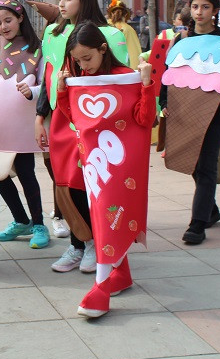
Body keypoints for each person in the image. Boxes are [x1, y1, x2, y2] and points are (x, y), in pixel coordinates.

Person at [56, 22, 156, 317]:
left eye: (87, 58)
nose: (83, 65)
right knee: (102, 217)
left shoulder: (127, 78)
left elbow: (144, 118)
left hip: (122, 164)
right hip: (95, 163)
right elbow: (76, 118)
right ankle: (120, 274)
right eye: (78, 61)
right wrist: (63, 92)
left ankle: (101, 289)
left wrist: (148, 84)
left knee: (109, 216)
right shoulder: (82, 80)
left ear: (103, 49)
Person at [32, 0, 128, 274]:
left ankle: (99, 244)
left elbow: (120, 79)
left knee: (94, 185)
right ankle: (78, 244)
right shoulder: (51, 32)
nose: (61, 4)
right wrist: (40, 116)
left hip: (98, 123)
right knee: (67, 184)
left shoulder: (111, 34)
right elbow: (47, 76)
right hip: (62, 118)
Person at [160, 0, 220, 244]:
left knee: (207, 167)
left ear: (215, 11)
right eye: (196, 6)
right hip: (185, 112)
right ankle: (211, 210)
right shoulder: (181, 41)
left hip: (215, 114)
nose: (199, 12)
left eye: (205, 7)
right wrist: (164, 101)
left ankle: (197, 224)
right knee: (195, 166)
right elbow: (168, 75)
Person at [0, 0, 48, 249]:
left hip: (22, 125)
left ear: (21, 18)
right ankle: (21, 221)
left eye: (8, 20)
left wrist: (32, 89)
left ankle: (40, 223)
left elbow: (47, 85)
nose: (3, 26)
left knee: (26, 173)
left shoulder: (36, 48)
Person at [107, 0, 141, 68]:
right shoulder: (128, 29)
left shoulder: (105, 27)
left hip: (107, 68)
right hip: (123, 69)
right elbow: (134, 53)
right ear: (126, 15)